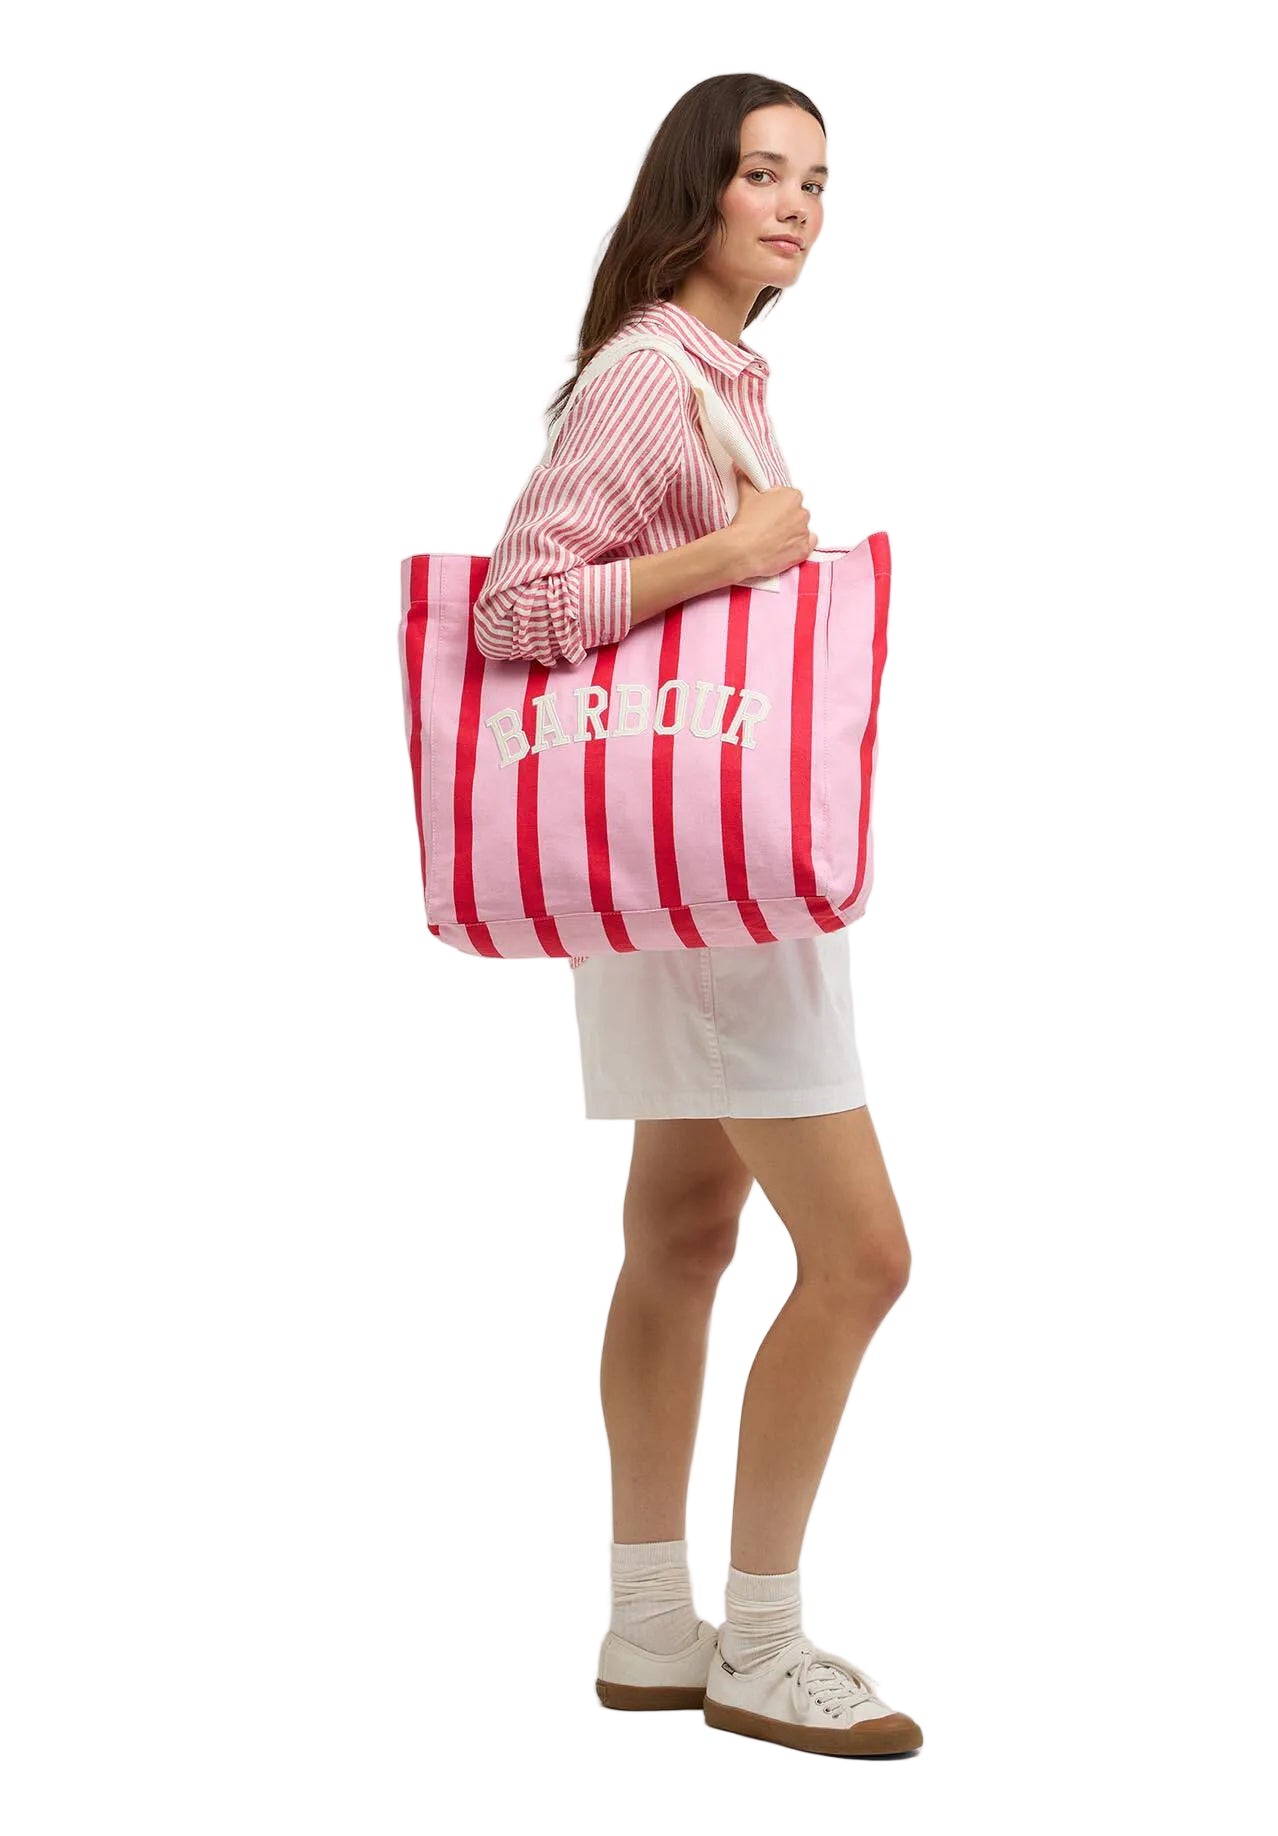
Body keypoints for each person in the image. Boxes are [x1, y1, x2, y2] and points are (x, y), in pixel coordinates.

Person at [472, 74, 920, 1758]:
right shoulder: (651, 377)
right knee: (863, 1258)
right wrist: (730, 559)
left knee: (679, 1236)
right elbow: (514, 607)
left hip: (672, 885)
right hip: (716, 902)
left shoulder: (710, 375)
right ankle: (765, 1644)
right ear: (697, 190)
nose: (797, 207)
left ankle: (653, 1626)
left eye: (818, 181)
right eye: (764, 175)